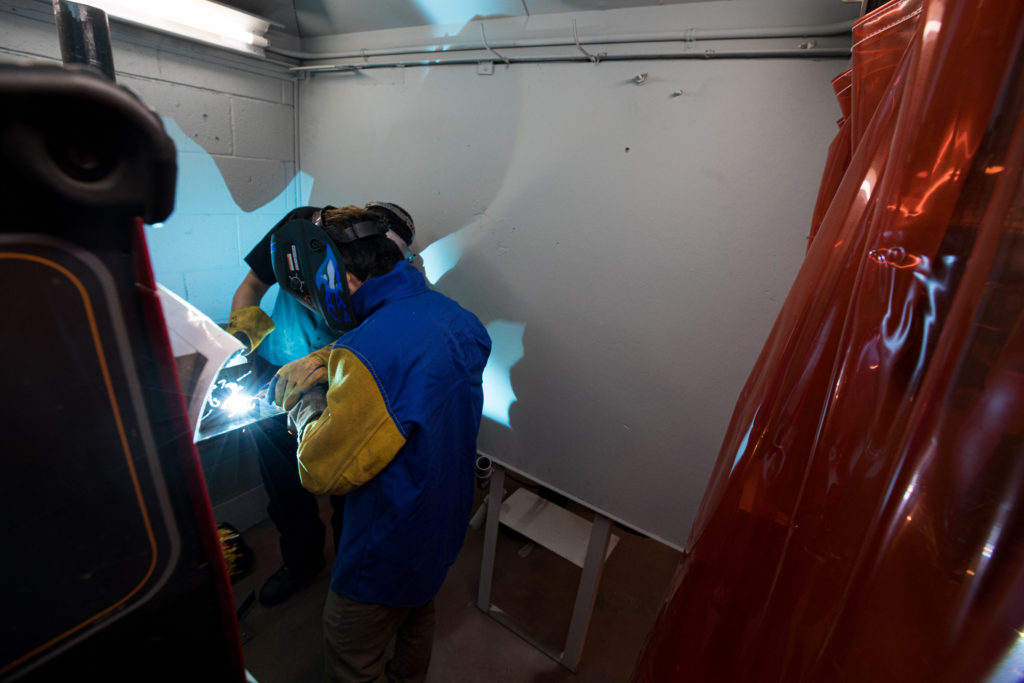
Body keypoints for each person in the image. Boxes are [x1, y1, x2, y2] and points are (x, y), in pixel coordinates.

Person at [271, 206, 491, 682]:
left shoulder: (367, 355)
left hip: (388, 543)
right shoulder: (457, 318)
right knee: (416, 615)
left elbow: (319, 470)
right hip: (442, 524)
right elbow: (412, 362)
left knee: (351, 652)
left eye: (310, 297)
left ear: (342, 278)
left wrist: (307, 404)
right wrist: (331, 356)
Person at [226, 201, 416, 607]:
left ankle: (349, 578)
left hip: (341, 384)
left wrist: (323, 361)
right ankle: (302, 561)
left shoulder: (391, 272)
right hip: (273, 376)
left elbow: (386, 337)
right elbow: (253, 285)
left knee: (350, 492)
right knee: (284, 489)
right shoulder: (297, 231)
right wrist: (245, 339)